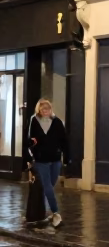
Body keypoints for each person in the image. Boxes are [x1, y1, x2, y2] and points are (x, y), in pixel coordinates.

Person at [24, 98, 70, 230]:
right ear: (39, 109)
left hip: (55, 159)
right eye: (43, 108)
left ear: (51, 109)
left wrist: (66, 158)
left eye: (48, 108)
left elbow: (64, 140)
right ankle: (56, 214)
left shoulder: (57, 122)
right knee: (47, 186)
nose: (45, 111)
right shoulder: (34, 121)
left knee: (49, 186)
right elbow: (27, 140)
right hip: (41, 160)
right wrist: (31, 150)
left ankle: (37, 213)